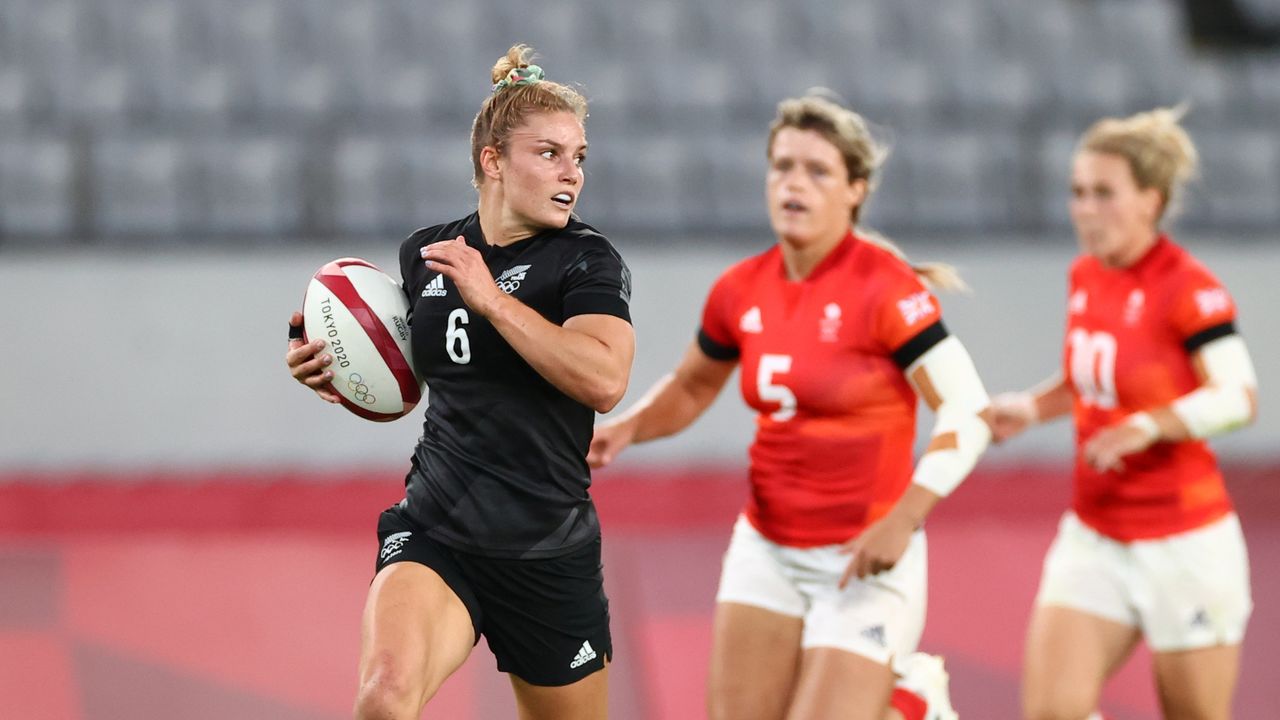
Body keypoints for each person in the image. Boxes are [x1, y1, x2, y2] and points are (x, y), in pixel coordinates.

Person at [588, 91, 993, 720]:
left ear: (855, 190)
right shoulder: (741, 288)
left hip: (864, 554)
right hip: (768, 547)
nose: (793, 183)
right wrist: (627, 431)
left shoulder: (886, 289)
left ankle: (909, 702)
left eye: (817, 171)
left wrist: (906, 517)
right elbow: (695, 384)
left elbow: (969, 409)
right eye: (782, 166)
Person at [285, 45, 634, 720]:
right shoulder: (427, 253)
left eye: (579, 156)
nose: (572, 174)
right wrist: (332, 373)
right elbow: (414, 382)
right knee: (384, 700)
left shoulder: (586, 261)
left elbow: (605, 380)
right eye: (549, 153)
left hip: (545, 549)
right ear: (492, 161)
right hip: (437, 529)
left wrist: (492, 298)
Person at [990, 107, 1258, 720]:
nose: (1085, 208)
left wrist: (1150, 425)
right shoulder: (1086, 275)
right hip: (1097, 535)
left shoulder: (1189, 287)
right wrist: (1032, 407)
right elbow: (1096, 378)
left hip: (1185, 545)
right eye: (1078, 193)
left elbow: (1238, 396)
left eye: (1104, 193)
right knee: (1052, 713)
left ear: (1150, 201)